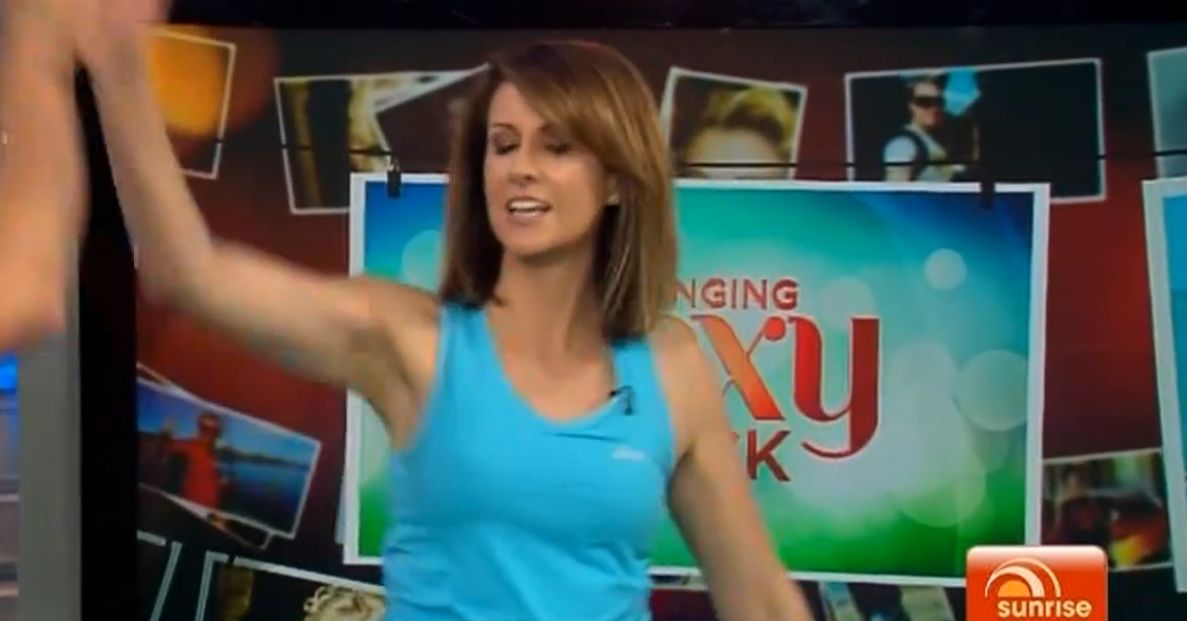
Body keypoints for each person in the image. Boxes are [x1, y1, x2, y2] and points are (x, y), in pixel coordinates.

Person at [9, 2, 814, 619]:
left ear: (615, 179)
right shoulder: (406, 339)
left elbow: (761, 599)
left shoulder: (671, 365)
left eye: (557, 146)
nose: (520, 169)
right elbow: (190, 274)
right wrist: (118, 69)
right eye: (503, 144)